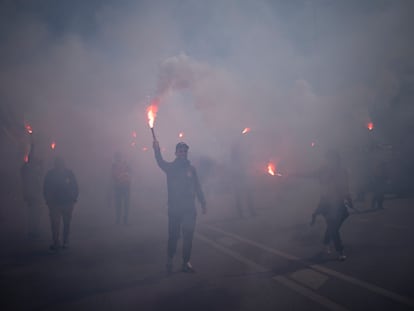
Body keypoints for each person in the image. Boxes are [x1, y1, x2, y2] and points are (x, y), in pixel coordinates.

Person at [153, 140, 206, 273]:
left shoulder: (191, 169)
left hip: (189, 209)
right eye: (180, 151)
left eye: (185, 151)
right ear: (176, 153)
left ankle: (185, 262)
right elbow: (160, 162)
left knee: (188, 236)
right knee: (173, 236)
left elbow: (197, 186)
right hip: (174, 209)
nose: (183, 153)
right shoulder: (170, 168)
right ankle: (170, 260)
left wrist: (203, 202)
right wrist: (156, 149)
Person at [295, 150, 353, 261]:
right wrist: (295, 174)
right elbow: (309, 174)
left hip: (338, 203)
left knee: (334, 226)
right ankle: (340, 251)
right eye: (328, 159)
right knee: (333, 227)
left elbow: (345, 187)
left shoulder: (342, 171)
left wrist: (349, 200)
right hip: (326, 203)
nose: (330, 161)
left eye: (332, 159)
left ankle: (326, 242)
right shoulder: (323, 170)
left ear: (337, 160)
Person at [43, 156, 79, 251]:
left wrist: (74, 198)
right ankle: (58, 242)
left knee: (64, 223)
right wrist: (48, 200)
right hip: (56, 203)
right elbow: (46, 188)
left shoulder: (68, 174)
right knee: (56, 224)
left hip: (66, 203)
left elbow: (75, 186)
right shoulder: (51, 174)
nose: (59, 166)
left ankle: (63, 241)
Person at [20, 143, 43, 238]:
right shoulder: (27, 169)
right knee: (32, 213)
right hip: (31, 193)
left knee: (35, 213)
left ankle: (34, 230)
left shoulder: (29, 168)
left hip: (34, 193)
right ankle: (33, 231)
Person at [230, 142, 256, 218]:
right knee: (239, 195)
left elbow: (244, 164)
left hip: (242, 176)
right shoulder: (234, 156)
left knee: (247, 194)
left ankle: (251, 211)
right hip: (237, 177)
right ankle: (241, 213)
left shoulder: (240, 156)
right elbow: (234, 167)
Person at [110, 152, 131, 225]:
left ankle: (122, 219)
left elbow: (129, 173)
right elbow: (113, 176)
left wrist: (121, 178)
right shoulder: (116, 165)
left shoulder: (121, 164)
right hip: (122, 186)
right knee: (122, 204)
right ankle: (121, 219)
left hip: (122, 186)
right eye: (118, 157)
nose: (118, 159)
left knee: (122, 204)